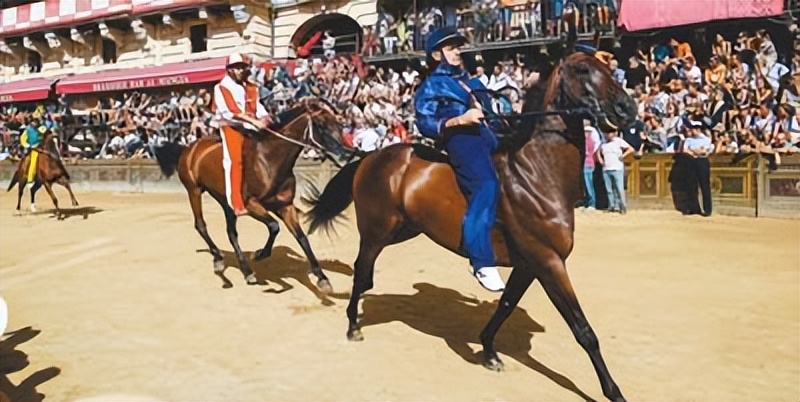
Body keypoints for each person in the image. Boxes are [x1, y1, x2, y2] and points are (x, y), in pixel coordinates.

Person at [414, 26, 505, 292]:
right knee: (485, 184)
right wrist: (459, 119)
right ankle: (481, 260)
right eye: (450, 47)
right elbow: (426, 122)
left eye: (457, 47)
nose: (456, 51)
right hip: (461, 139)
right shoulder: (432, 84)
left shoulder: (474, 81)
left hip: (487, 134)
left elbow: (491, 115)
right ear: (436, 54)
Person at [213, 53, 270, 216]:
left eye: (242, 67)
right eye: (236, 68)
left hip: (249, 125)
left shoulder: (249, 86)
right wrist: (254, 122)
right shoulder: (221, 87)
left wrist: (265, 117)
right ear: (229, 70)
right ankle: (236, 202)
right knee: (235, 161)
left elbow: (257, 106)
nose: (240, 71)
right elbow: (232, 112)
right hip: (231, 126)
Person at [597, 129, 634, 214]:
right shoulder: (603, 143)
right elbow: (598, 152)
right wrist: (601, 160)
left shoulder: (618, 141)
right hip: (606, 168)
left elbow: (630, 149)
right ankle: (612, 206)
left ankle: (622, 207)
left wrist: (623, 156)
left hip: (617, 168)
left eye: (609, 133)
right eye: (607, 133)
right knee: (609, 189)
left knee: (619, 188)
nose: (607, 134)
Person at [683, 120, 713, 216]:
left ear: (698, 129)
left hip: (702, 161)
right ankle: (693, 208)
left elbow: (704, 151)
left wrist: (693, 151)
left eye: (694, 129)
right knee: (691, 185)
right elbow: (685, 150)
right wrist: (696, 151)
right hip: (691, 162)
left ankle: (707, 210)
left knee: (704, 185)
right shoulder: (689, 139)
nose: (693, 131)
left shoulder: (706, 139)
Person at [19, 120, 43, 184]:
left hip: (40, 146)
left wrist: (41, 139)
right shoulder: (27, 130)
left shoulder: (39, 129)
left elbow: (41, 136)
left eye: (36, 122)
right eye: (34, 122)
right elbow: (22, 139)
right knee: (33, 161)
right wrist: (28, 145)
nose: (35, 123)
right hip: (32, 148)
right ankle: (30, 178)